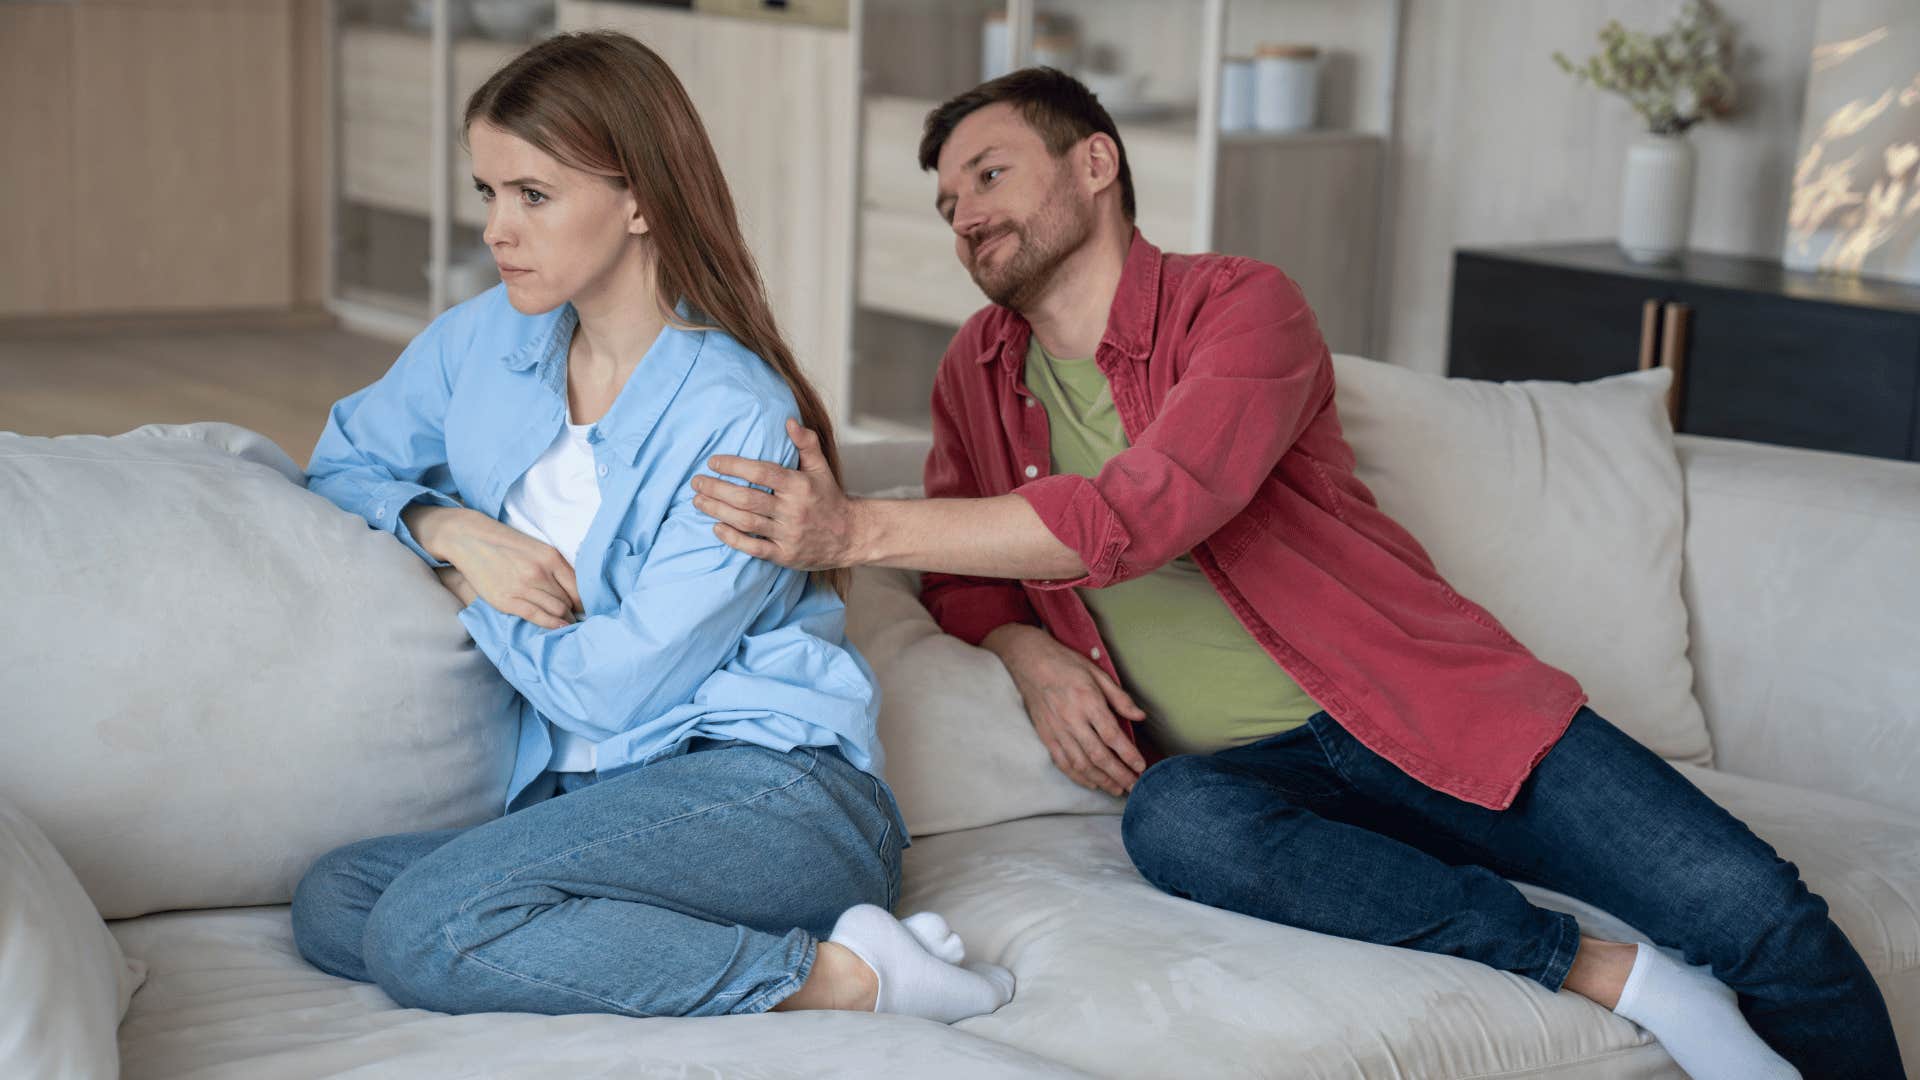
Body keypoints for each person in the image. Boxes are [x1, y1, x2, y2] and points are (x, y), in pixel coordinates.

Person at [689, 68, 1903, 1078]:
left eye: (990, 175)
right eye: (947, 198)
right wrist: (1028, 651)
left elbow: (1145, 511)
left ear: (1096, 165)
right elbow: (971, 570)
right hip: (1244, 775)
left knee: (1763, 917)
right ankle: (1608, 971)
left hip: (1433, 712)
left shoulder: (1242, 307)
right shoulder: (976, 371)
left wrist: (856, 533)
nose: (963, 214)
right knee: (1174, 825)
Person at [290, 31, 1014, 1025]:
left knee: (425, 930)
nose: (500, 229)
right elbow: (341, 461)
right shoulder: (483, 341)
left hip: (770, 796)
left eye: (534, 196)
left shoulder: (737, 418)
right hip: (592, 809)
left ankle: (853, 980)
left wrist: (475, 597)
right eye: (488, 193)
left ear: (638, 200)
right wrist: (450, 527)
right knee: (337, 899)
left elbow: (616, 689)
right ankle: (788, 960)